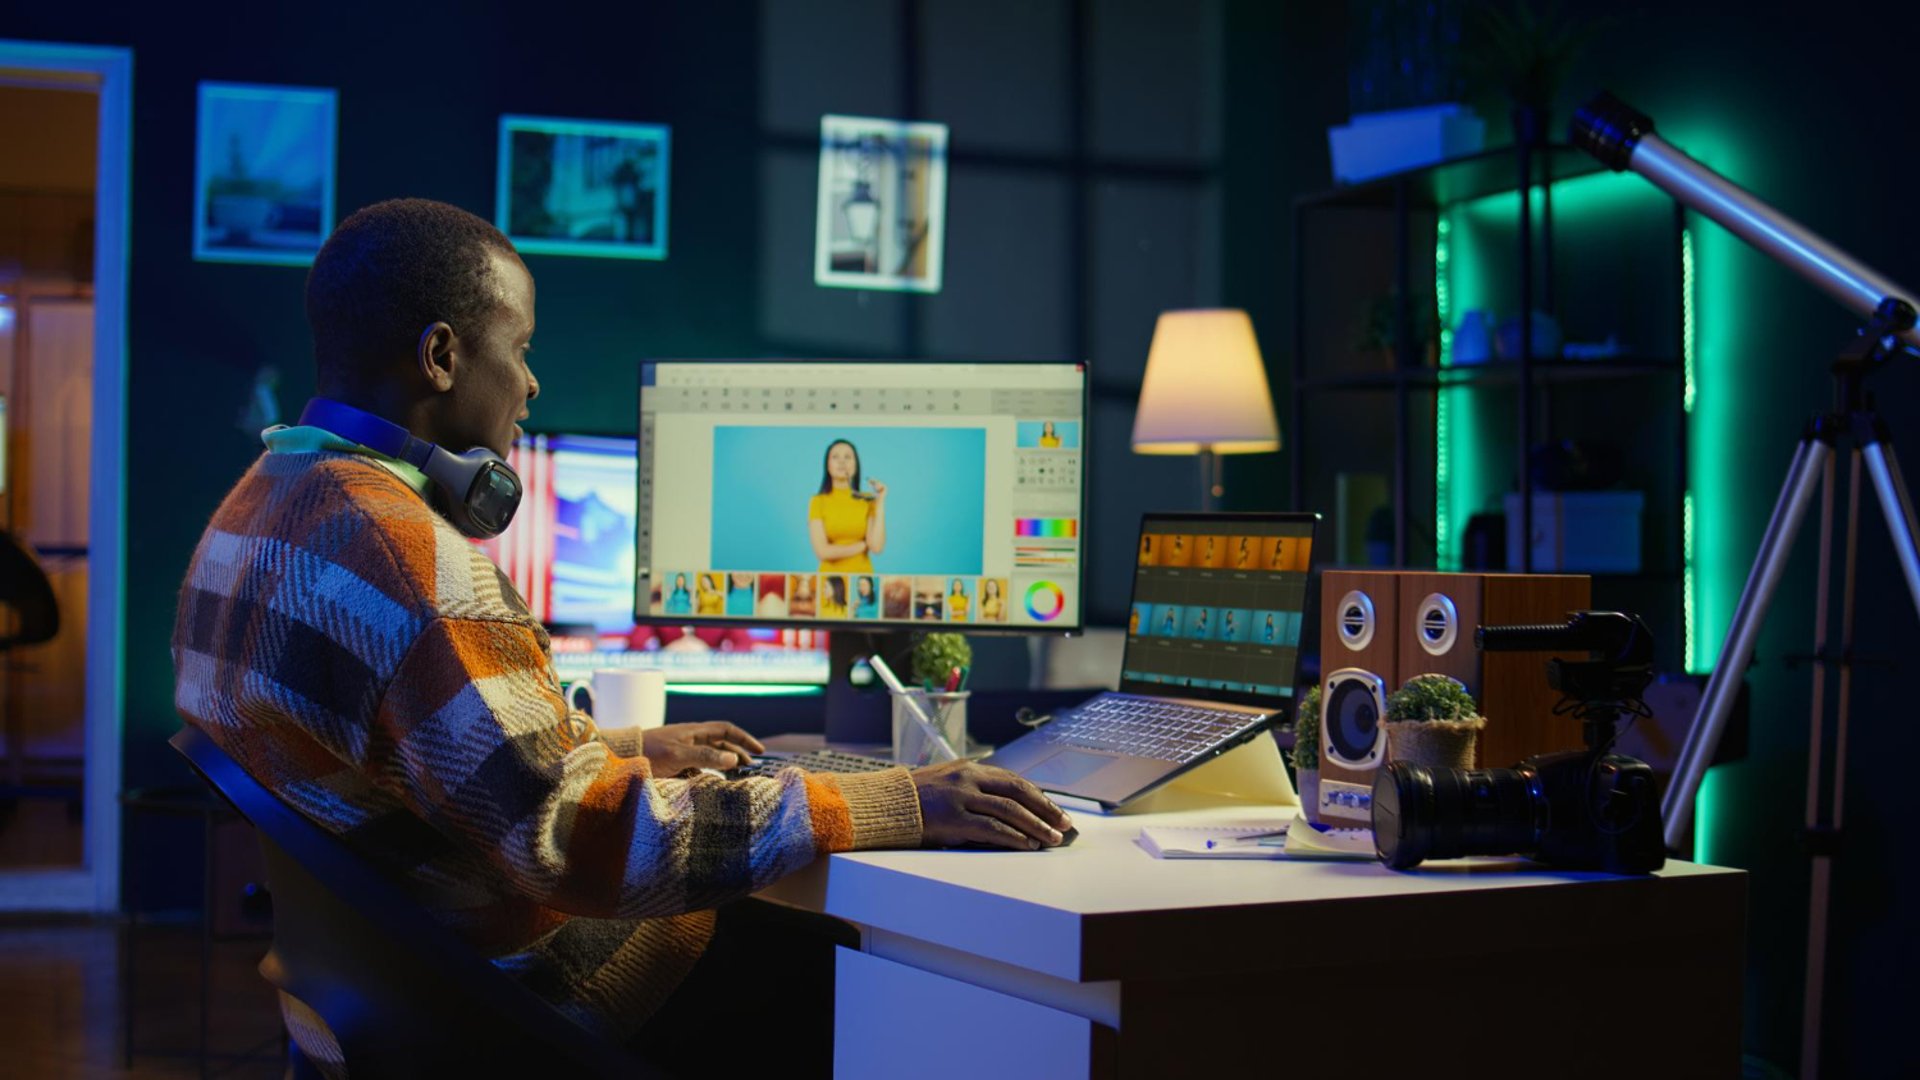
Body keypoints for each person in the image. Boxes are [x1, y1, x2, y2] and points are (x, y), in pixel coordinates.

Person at [170, 198, 1072, 1075]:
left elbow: (403, 757)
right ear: (442, 356)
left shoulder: (256, 511)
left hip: (390, 1005)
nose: (529, 384)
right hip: (532, 1007)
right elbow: (592, 845)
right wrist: (901, 801)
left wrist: (626, 745)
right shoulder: (415, 567)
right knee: (893, 991)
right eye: (518, 348)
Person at [808, 439, 887, 573]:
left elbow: (876, 547)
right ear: (828, 466)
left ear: (855, 466)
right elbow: (822, 552)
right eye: (835, 457)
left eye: (848, 457)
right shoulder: (817, 501)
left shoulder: (867, 500)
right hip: (829, 578)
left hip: (862, 576)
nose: (842, 461)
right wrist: (861, 546)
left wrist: (880, 503)